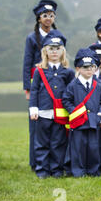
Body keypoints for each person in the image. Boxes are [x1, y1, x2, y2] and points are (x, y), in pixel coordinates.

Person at [29, 30, 74, 178]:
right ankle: (42, 170)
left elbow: (71, 92)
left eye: (57, 49)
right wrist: (33, 108)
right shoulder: (39, 70)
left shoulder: (68, 72)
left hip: (60, 113)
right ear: (45, 51)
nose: (54, 52)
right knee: (41, 142)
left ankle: (56, 169)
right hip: (43, 111)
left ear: (62, 51)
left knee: (58, 142)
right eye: (51, 49)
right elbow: (34, 90)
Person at [23, 0, 58, 170]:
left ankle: (54, 161)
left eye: (51, 15)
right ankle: (35, 161)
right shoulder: (32, 38)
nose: (48, 19)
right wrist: (27, 88)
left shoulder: (57, 37)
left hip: (55, 84)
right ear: (38, 18)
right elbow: (26, 62)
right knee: (36, 125)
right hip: (37, 83)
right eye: (45, 15)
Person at [62, 49, 101, 177]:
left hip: (94, 121)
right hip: (79, 122)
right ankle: (78, 171)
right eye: (85, 67)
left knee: (93, 148)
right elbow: (66, 100)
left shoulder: (99, 84)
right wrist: (74, 112)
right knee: (78, 148)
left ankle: (93, 171)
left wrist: (100, 115)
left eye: (92, 67)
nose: (89, 70)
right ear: (78, 69)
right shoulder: (73, 85)